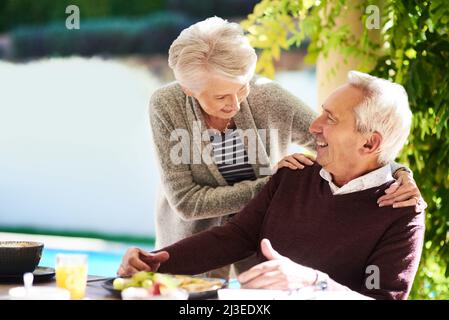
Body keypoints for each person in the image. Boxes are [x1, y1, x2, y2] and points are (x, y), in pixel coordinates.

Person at [147, 17, 425, 279]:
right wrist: (274, 189)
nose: (235, 104)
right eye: (221, 96)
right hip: (194, 241)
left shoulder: (268, 97)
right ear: (189, 89)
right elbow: (186, 202)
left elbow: (343, 143)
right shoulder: (167, 105)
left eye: (242, 87)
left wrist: (398, 171)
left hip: (260, 246)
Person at [120, 71, 425, 300]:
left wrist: (312, 282)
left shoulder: (401, 212)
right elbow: (235, 236)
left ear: (370, 142)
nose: (314, 125)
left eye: (330, 118)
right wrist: (157, 262)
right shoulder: (295, 174)